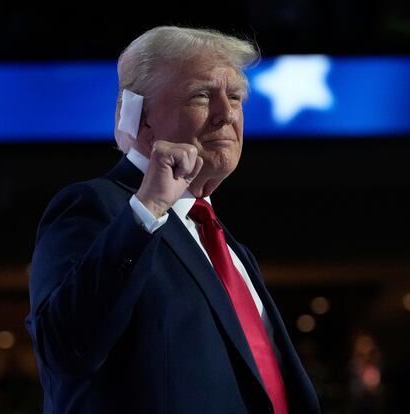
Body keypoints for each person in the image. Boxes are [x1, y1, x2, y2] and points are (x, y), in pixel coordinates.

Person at [26, 26, 320, 413]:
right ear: (141, 116)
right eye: (202, 95)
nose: (227, 113)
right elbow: (63, 351)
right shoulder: (96, 207)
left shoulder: (233, 250)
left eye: (234, 97)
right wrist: (147, 208)